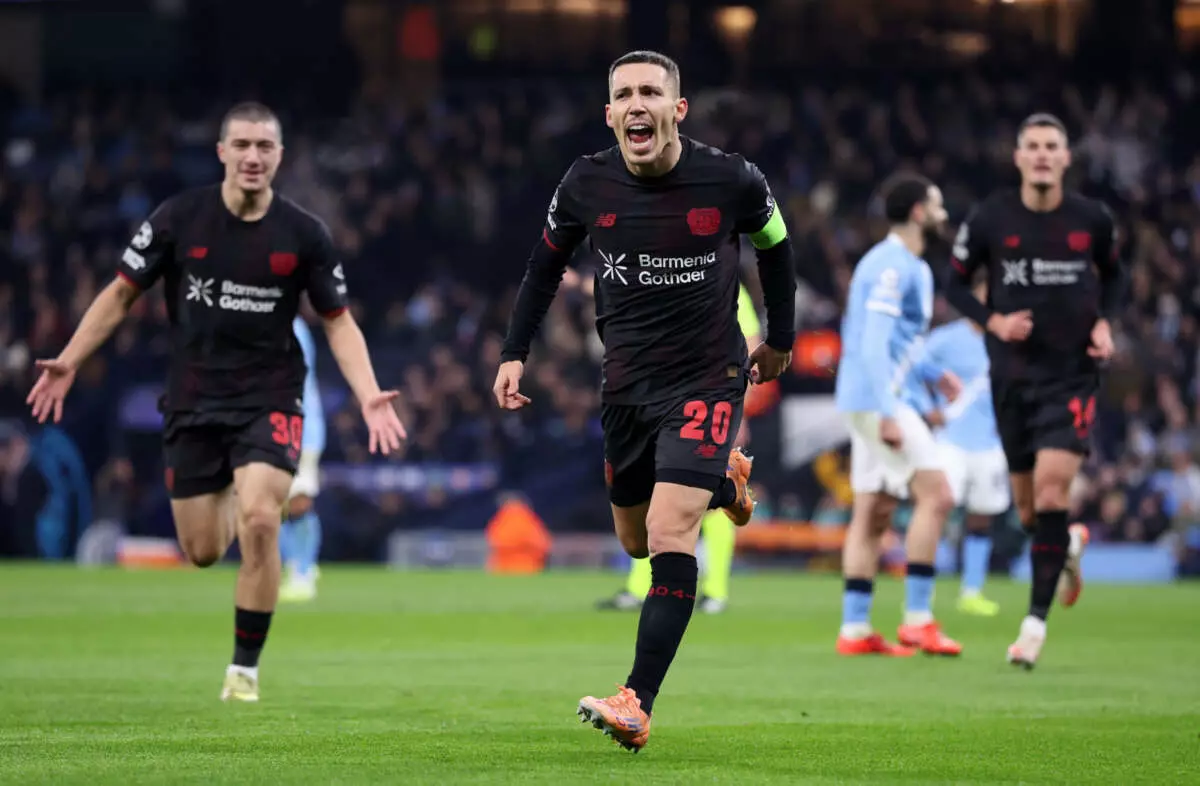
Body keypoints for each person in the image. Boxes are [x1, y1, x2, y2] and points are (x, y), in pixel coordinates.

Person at [25, 101, 406, 702]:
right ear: (223, 151)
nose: (254, 156)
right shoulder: (179, 219)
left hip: (270, 394)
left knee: (260, 518)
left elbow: (337, 322)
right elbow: (121, 295)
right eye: (243, 145)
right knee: (202, 550)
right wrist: (69, 359)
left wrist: (368, 396)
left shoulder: (304, 234)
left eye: (265, 146)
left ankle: (244, 672)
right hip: (194, 399)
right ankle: (234, 483)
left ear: (279, 157)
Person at [493, 50, 796, 752]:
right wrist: (514, 351)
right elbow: (544, 266)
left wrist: (780, 336)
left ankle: (637, 700)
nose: (637, 104)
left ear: (676, 110)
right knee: (633, 542)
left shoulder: (732, 179)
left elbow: (776, 247)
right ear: (609, 114)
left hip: (709, 377)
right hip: (627, 388)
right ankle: (725, 480)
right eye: (623, 94)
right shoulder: (585, 184)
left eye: (651, 93)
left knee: (666, 535)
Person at [944, 112, 1120, 669]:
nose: (1043, 155)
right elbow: (955, 282)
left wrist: (1104, 322)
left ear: (1067, 158)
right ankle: (1065, 544)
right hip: (1012, 377)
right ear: (1018, 157)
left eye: (1052, 146)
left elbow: (1114, 276)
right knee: (1029, 512)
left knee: (1049, 494)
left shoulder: (1092, 219)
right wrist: (994, 322)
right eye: (1033, 146)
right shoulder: (992, 217)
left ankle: (1033, 627)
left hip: (1071, 376)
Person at [834, 172, 963, 658]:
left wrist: (933, 374)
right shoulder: (892, 266)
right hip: (878, 401)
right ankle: (919, 619)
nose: (943, 213)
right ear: (917, 212)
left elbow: (901, 342)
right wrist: (889, 413)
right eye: (937, 204)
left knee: (873, 513)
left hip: (869, 397)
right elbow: (872, 343)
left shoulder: (909, 265)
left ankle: (854, 627)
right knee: (938, 494)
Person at [597, 282, 762, 615]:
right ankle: (642, 587)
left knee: (706, 495)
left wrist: (739, 407)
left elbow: (751, 346)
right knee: (653, 489)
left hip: (710, 403)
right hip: (664, 403)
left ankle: (715, 591)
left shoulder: (725, 282)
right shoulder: (667, 272)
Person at [907, 277, 1008, 617]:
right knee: (936, 510)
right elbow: (911, 369)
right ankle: (925, 588)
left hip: (990, 442)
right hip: (950, 440)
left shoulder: (1007, 341)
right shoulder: (946, 339)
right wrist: (926, 409)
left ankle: (972, 591)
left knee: (982, 517)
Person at [279, 314, 325, 603]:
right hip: (278, 427)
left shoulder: (291, 327)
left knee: (299, 501)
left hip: (302, 428)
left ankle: (303, 571)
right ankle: (297, 565)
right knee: (277, 504)